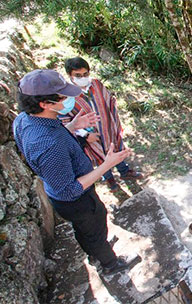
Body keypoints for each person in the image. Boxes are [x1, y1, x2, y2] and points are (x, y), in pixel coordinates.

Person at [13, 69, 132, 275]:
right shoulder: (48, 144)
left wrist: (72, 126)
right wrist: (107, 164)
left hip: (66, 194)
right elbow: (68, 190)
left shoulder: (24, 120)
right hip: (77, 200)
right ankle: (110, 263)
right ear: (45, 104)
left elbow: (53, 142)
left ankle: (95, 249)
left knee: (87, 228)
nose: (69, 99)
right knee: (93, 226)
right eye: (63, 96)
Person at [63, 57, 142, 192]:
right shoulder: (66, 96)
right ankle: (109, 179)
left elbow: (109, 102)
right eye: (78, 75)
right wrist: (86, 135)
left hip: (108, 128)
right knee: (99, 156)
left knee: (115, 148)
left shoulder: (96, 84)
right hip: (90, 136)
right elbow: (65, 121)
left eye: (85, 74)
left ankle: (124, 172)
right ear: (70, 75)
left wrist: (114, 124)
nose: (83, 77)